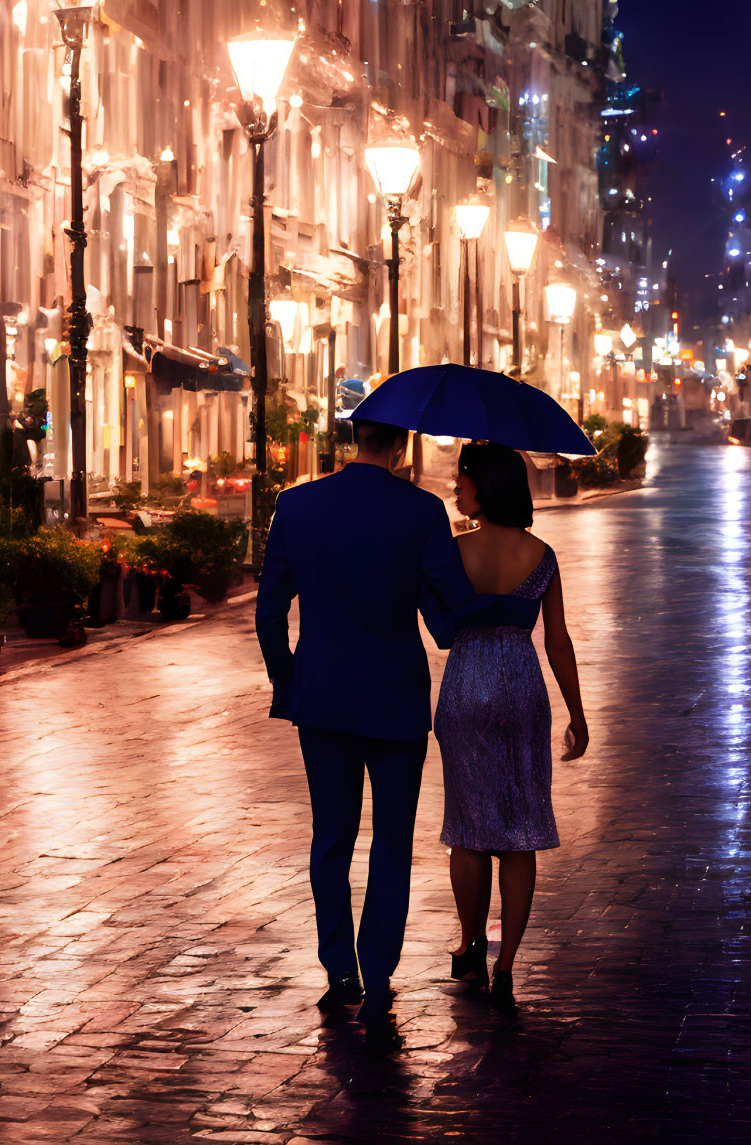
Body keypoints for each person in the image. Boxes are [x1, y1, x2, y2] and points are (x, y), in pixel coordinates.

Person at [255, 419, 488, 1048]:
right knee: (392, 839)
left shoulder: (296, 505)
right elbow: (452, 608)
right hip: (396, 696)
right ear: (402, 446)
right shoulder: (420, 511)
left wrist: (288, 679)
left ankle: (340, 970)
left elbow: (269, 609)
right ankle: (380, 974)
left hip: (323, 695)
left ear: (352, 439)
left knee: (331, 838)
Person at [436, 441, 588, 1014]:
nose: (457, 487)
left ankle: (470, 943)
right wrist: (577, 712)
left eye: (463, 479)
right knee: (520, 829)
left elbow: (442, 627)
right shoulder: (542, 555)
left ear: (483, 487)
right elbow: (557, 642)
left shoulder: (454, 553)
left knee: (468, 828)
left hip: (466, 685)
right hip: (522, 688)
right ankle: (506, 966)